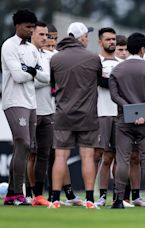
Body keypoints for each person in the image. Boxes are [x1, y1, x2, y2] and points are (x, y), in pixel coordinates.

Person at [48, 22, 101, 209]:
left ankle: (54, 199)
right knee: (87, 156)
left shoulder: (55, 59)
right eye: (87, 35)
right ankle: (89, 200)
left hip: (63, 115)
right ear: (82, 37)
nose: (88, 38)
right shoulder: (94, 58)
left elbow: (53, 86)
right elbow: (98, 80)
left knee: (60, 157)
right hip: (87, 115)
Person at [109, 32, 145, 209]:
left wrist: (128, 110)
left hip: (124, 121)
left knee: (122, 160)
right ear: (142, 49)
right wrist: (143, 112)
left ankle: (118, 199)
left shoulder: (117, 70)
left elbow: (114, 95)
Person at [1, 9, 48, 206]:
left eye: (32, 27)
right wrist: (34, 72)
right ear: (17, 26)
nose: (31, 31)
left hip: (31, 102)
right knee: (23, 142)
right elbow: (18, 77)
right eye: (28, 27)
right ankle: (17, 193)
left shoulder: (32, 49)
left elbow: (46, 78)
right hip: (14, 100)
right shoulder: (8, 46)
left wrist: (30, 70)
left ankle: (12, 193)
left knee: (26, 146)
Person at [42, 24, 81, 206]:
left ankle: (66, 194)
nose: (52, 40)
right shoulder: (44, 57)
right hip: (43, 110)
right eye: (49, 36)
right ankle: (38, 194)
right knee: (42, 155)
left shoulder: (58, 58)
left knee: (57, 154)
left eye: (55, 37)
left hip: (57, 112)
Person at [93, 27, 127, 207]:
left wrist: (111, 81)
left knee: (117, 157)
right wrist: (114, 81)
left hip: (120, 115)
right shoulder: (95, 61)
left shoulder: (122, 64)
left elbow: (123, 86)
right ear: (100, 42)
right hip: (102, 113)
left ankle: (118, 196)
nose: (112, 42)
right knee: (99, 155)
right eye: (108, 39)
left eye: (114, 39)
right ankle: (96, 196)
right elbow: (100, 82)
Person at [26, 21, 52, 207]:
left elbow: (53, 79)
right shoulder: (25, 53)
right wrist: (47, 79)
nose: (45, 38)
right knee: (29, 154)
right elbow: (28, 82)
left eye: (47, 35)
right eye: (41, 34)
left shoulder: (50, 56)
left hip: (48, 111)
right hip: (30, 109)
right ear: (32, 34)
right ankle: (26, 193)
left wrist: (41, 77)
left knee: (44, 154)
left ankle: (38, 195)